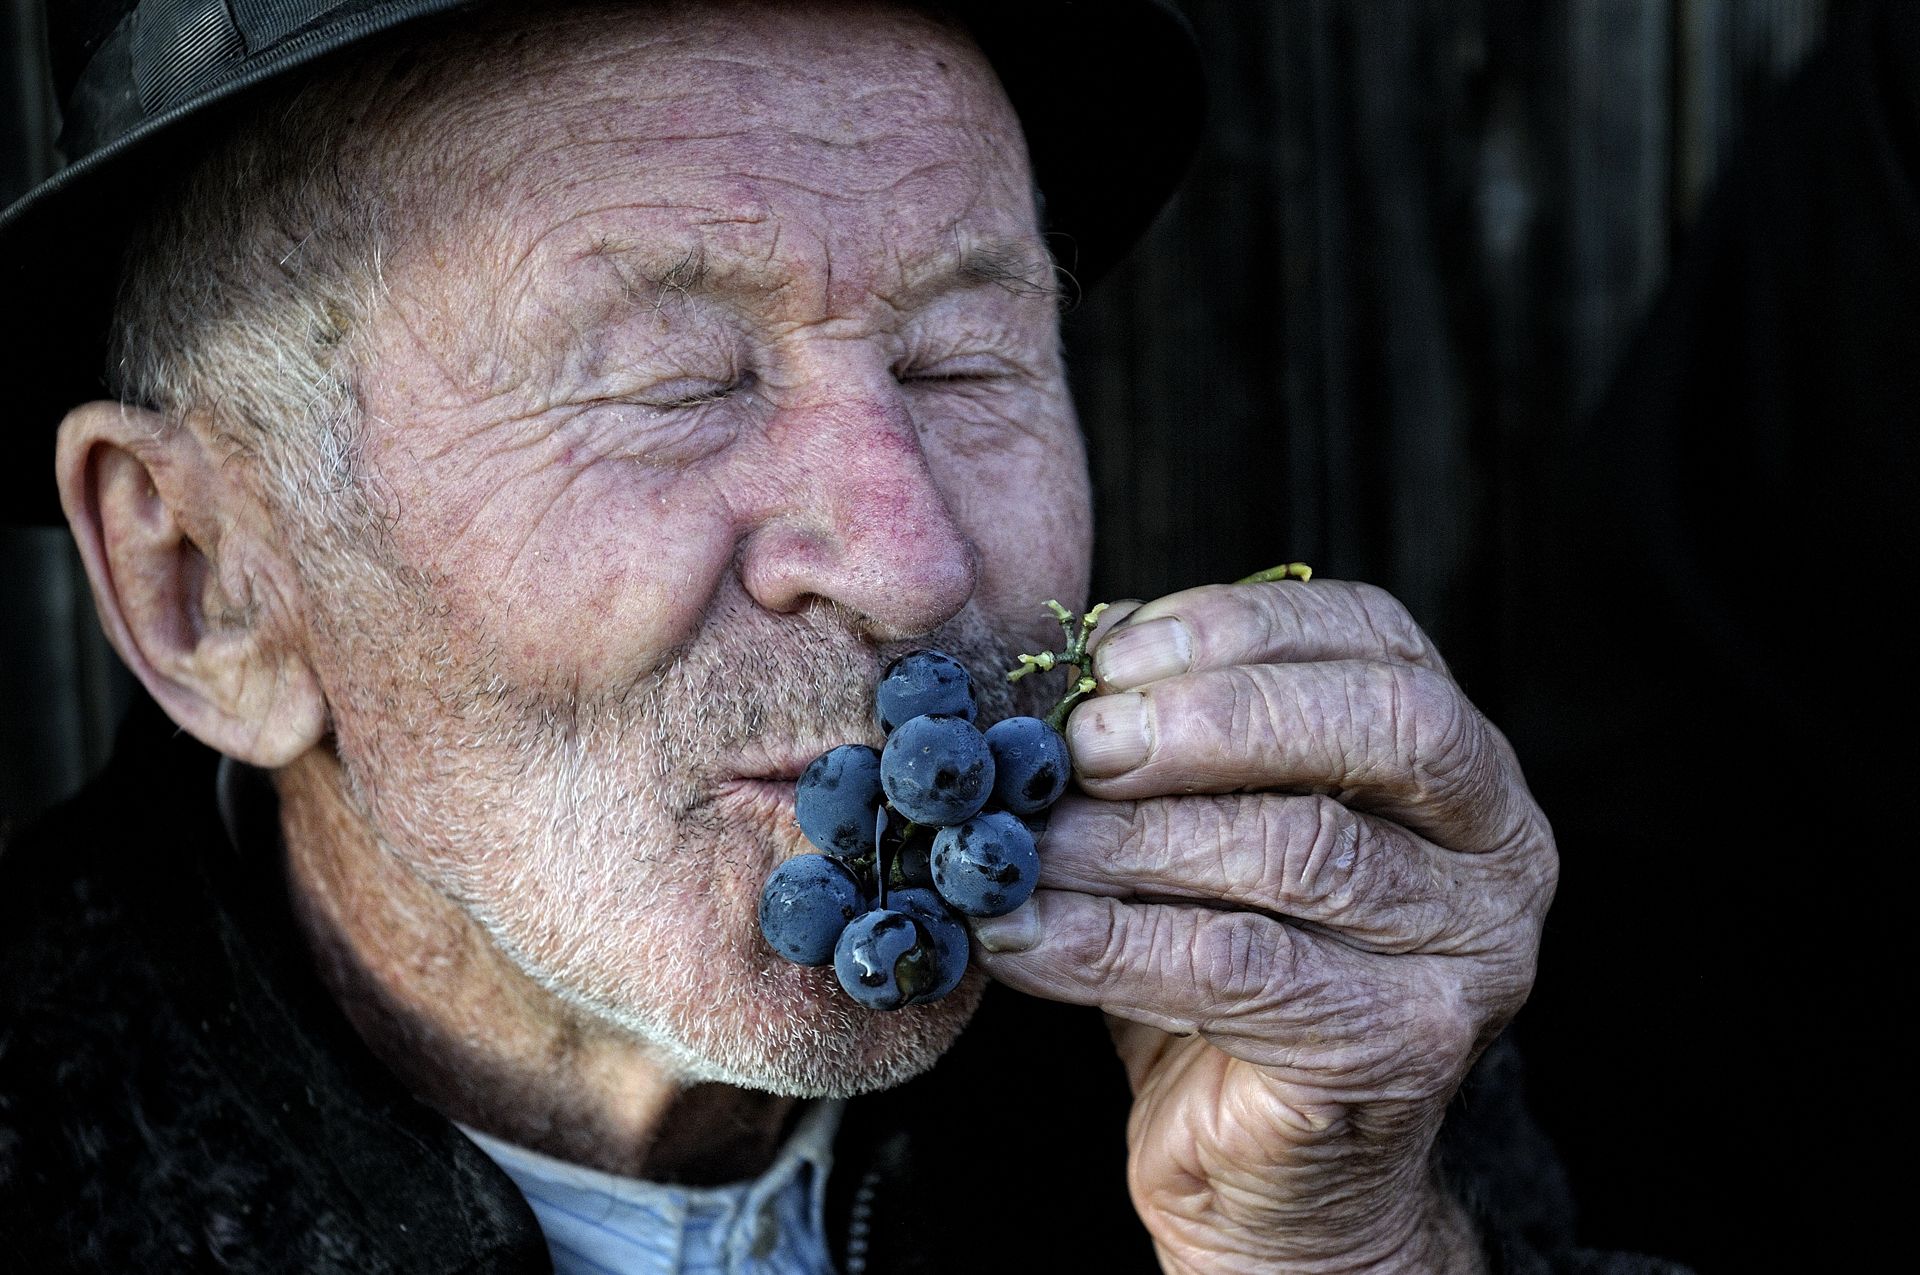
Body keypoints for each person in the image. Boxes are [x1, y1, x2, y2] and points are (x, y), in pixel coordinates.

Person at [0, 2, 1653, 1271]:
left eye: (957, 362)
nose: (914, 557)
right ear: (204, 580)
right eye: (673, 382)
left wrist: (1353, 1249)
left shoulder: (1279, 1042)